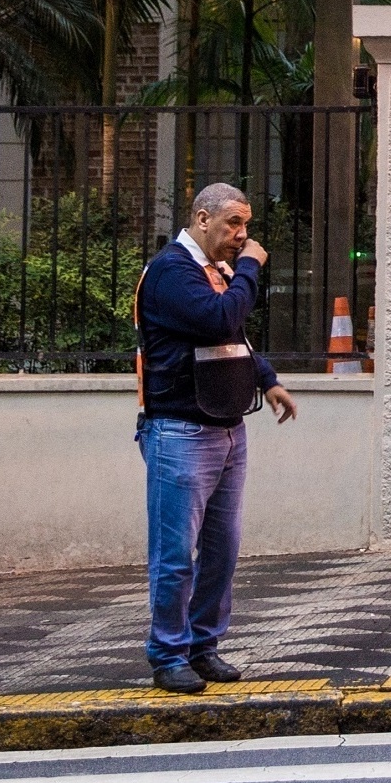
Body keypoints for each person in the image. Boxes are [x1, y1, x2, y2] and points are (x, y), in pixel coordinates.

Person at [133, 181, 298, 694]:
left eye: (246, 227)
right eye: (233, 224)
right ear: (202, 219)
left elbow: (236, 338)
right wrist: (251, 266)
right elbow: (220, 318)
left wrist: (267, 380)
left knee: (222, 551)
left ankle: (203, 646)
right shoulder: (172, 272)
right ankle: (168, 654)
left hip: (225, 427)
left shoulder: (212, 271)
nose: (242, 236)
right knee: (176, 554)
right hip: (179, 430)